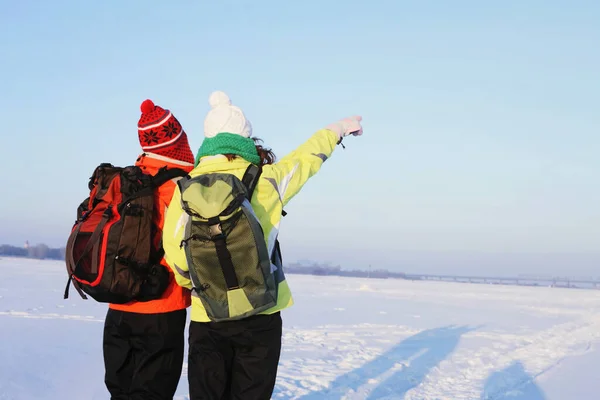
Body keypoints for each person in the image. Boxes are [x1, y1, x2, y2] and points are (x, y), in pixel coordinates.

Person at [161, 90, 363, 400]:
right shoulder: (268, 179)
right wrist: (337, 129)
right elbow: (306, 159)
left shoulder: (185, 188)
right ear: (244, 137)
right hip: (262, 313)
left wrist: (198, 284)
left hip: (208, 316)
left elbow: (174, 251)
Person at [102, 99, 195, 400]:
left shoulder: (126, 183)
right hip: (162, 307)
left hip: (119, 305)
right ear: (178, 142)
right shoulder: (181, 188)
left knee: (121, 391)